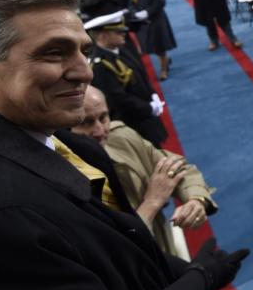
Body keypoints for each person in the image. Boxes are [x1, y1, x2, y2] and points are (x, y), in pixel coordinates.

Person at [0, 0, 248, 290]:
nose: (84, 73)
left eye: (85, 52)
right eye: (54, 52)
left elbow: (112, 257)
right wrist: (197, 279)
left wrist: (190, 273)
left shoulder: (56, 140)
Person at [70, 87, 217, 256]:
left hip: (163, 247)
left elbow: (180, 168)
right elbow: (109, 249)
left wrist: (195, 199)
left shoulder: (121, 137)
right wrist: (153, 202)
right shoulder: (64, 178)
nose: (100, 131)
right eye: (86, 123)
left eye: (103, 117)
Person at [87, 11, 169, 147]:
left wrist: (152, 95)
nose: (123, 34)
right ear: (103, 36)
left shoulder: (121, 50)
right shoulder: (100, 65)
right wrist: (148, 108)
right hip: (133, 124)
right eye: (118, 32)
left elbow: (140, 75)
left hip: (144, 117)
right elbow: (119, 99)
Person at [130, 0, 177, 80]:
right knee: (149, 46)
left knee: (159, 46)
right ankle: (165, 60)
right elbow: (131, 4)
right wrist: (135, 13)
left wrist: (147, 12)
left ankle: (163, 68)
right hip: (143, 23)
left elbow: (160, 2)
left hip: (156, 20)